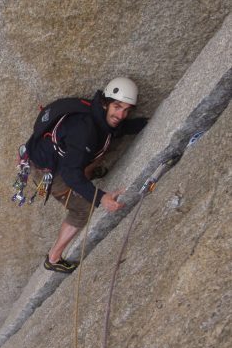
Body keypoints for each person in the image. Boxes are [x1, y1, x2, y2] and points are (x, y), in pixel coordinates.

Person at [16, 77, 148, 273]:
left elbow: (118, 129)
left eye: (126, 110)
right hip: (48, 170)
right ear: (105, 103)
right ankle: (53, 259)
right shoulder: (85, 130)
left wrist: (146, 122)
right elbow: (70, 174)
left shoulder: (97, 113)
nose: (121, 114)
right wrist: (101, 197)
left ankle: (88, 173)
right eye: (117, 107)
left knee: (94, 154)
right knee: (84, 208)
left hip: (59, 155)